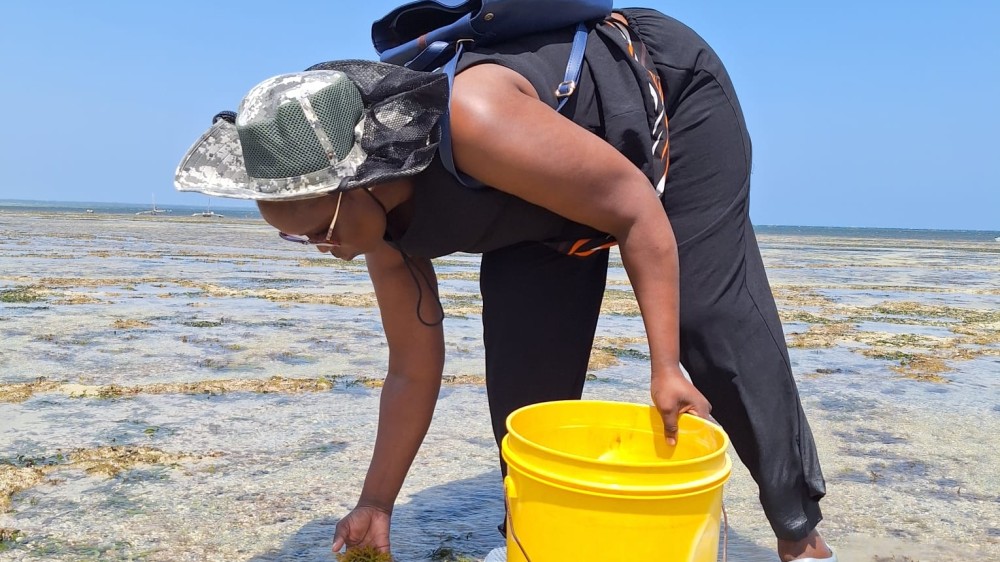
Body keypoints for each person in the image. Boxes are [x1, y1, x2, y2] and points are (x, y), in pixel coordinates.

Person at [175, 8, 835, 561]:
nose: (324, 249)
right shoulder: (374, 229)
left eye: (321, 229)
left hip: (668, 112)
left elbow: (635, 208)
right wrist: (376, 503)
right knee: (525, 406)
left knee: (705, 324)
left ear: (364, 179)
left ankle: (798, 536)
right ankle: (533, 541)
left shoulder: (475, 119)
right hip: (539, 212)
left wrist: (662, 366)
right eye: (299, 238)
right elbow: (411, 368)